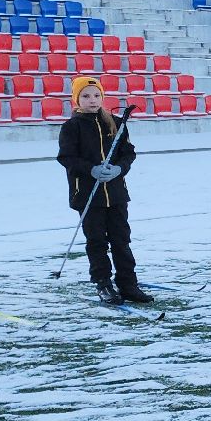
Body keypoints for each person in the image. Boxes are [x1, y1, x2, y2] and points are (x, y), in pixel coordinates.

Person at [56, 77, 150, 306]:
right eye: (86, 96)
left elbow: (128, 153)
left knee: (121, 239)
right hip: (88, 195)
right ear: (77, 99)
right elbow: (66, 157)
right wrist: (92, 170)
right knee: (97, 241)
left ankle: (128, 283)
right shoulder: (72, 127)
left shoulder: (116, 123)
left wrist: (119, 169)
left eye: (96, 95)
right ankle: (103, 282)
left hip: (116, 194)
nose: (92, 100)